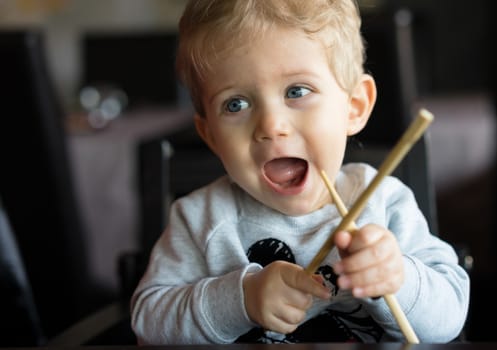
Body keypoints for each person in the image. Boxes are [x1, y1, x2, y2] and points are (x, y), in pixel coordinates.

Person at [131, 0, 469, 344]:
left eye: (297, 91)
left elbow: (451, 316)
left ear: (354, 106)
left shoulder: (385, 203)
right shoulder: (199, 219)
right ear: (211, 135)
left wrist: (398, 278)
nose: (271, 126)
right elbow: (148, 322)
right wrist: (241, 300)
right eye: (236, 103)